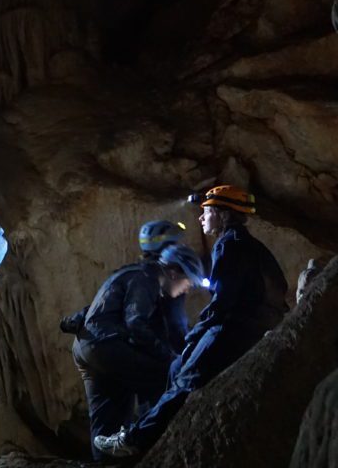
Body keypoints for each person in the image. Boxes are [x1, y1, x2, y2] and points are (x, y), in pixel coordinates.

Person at [94, 185, 289, 458]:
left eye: (206, 212)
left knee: (186, 377)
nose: (201, 218)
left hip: (237, 327)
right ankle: (151, 437)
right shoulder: (252, 246)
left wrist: (195, 336)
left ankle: (135, 440)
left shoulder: (229, 244)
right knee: (178, 368)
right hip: (255, 325)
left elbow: (222, 302)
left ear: (222, 214)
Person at [72, 243, 205, 460]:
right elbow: (135, 322)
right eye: (188, 281)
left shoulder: (130, 273)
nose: (188, 289)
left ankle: (107, 462)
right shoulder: (147, 279)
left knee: (107, 416)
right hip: (106, 346)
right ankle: (152, 447)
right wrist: (169, 357)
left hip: (85, 347)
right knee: (166, 377)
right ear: (173, 271)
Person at [60, 220, 192, 357]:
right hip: (118, 347)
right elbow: (174, 325)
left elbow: (106, 302)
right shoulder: (164, 278)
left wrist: (78, 318)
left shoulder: (134, 271)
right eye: (177, 244)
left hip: (94, 343)